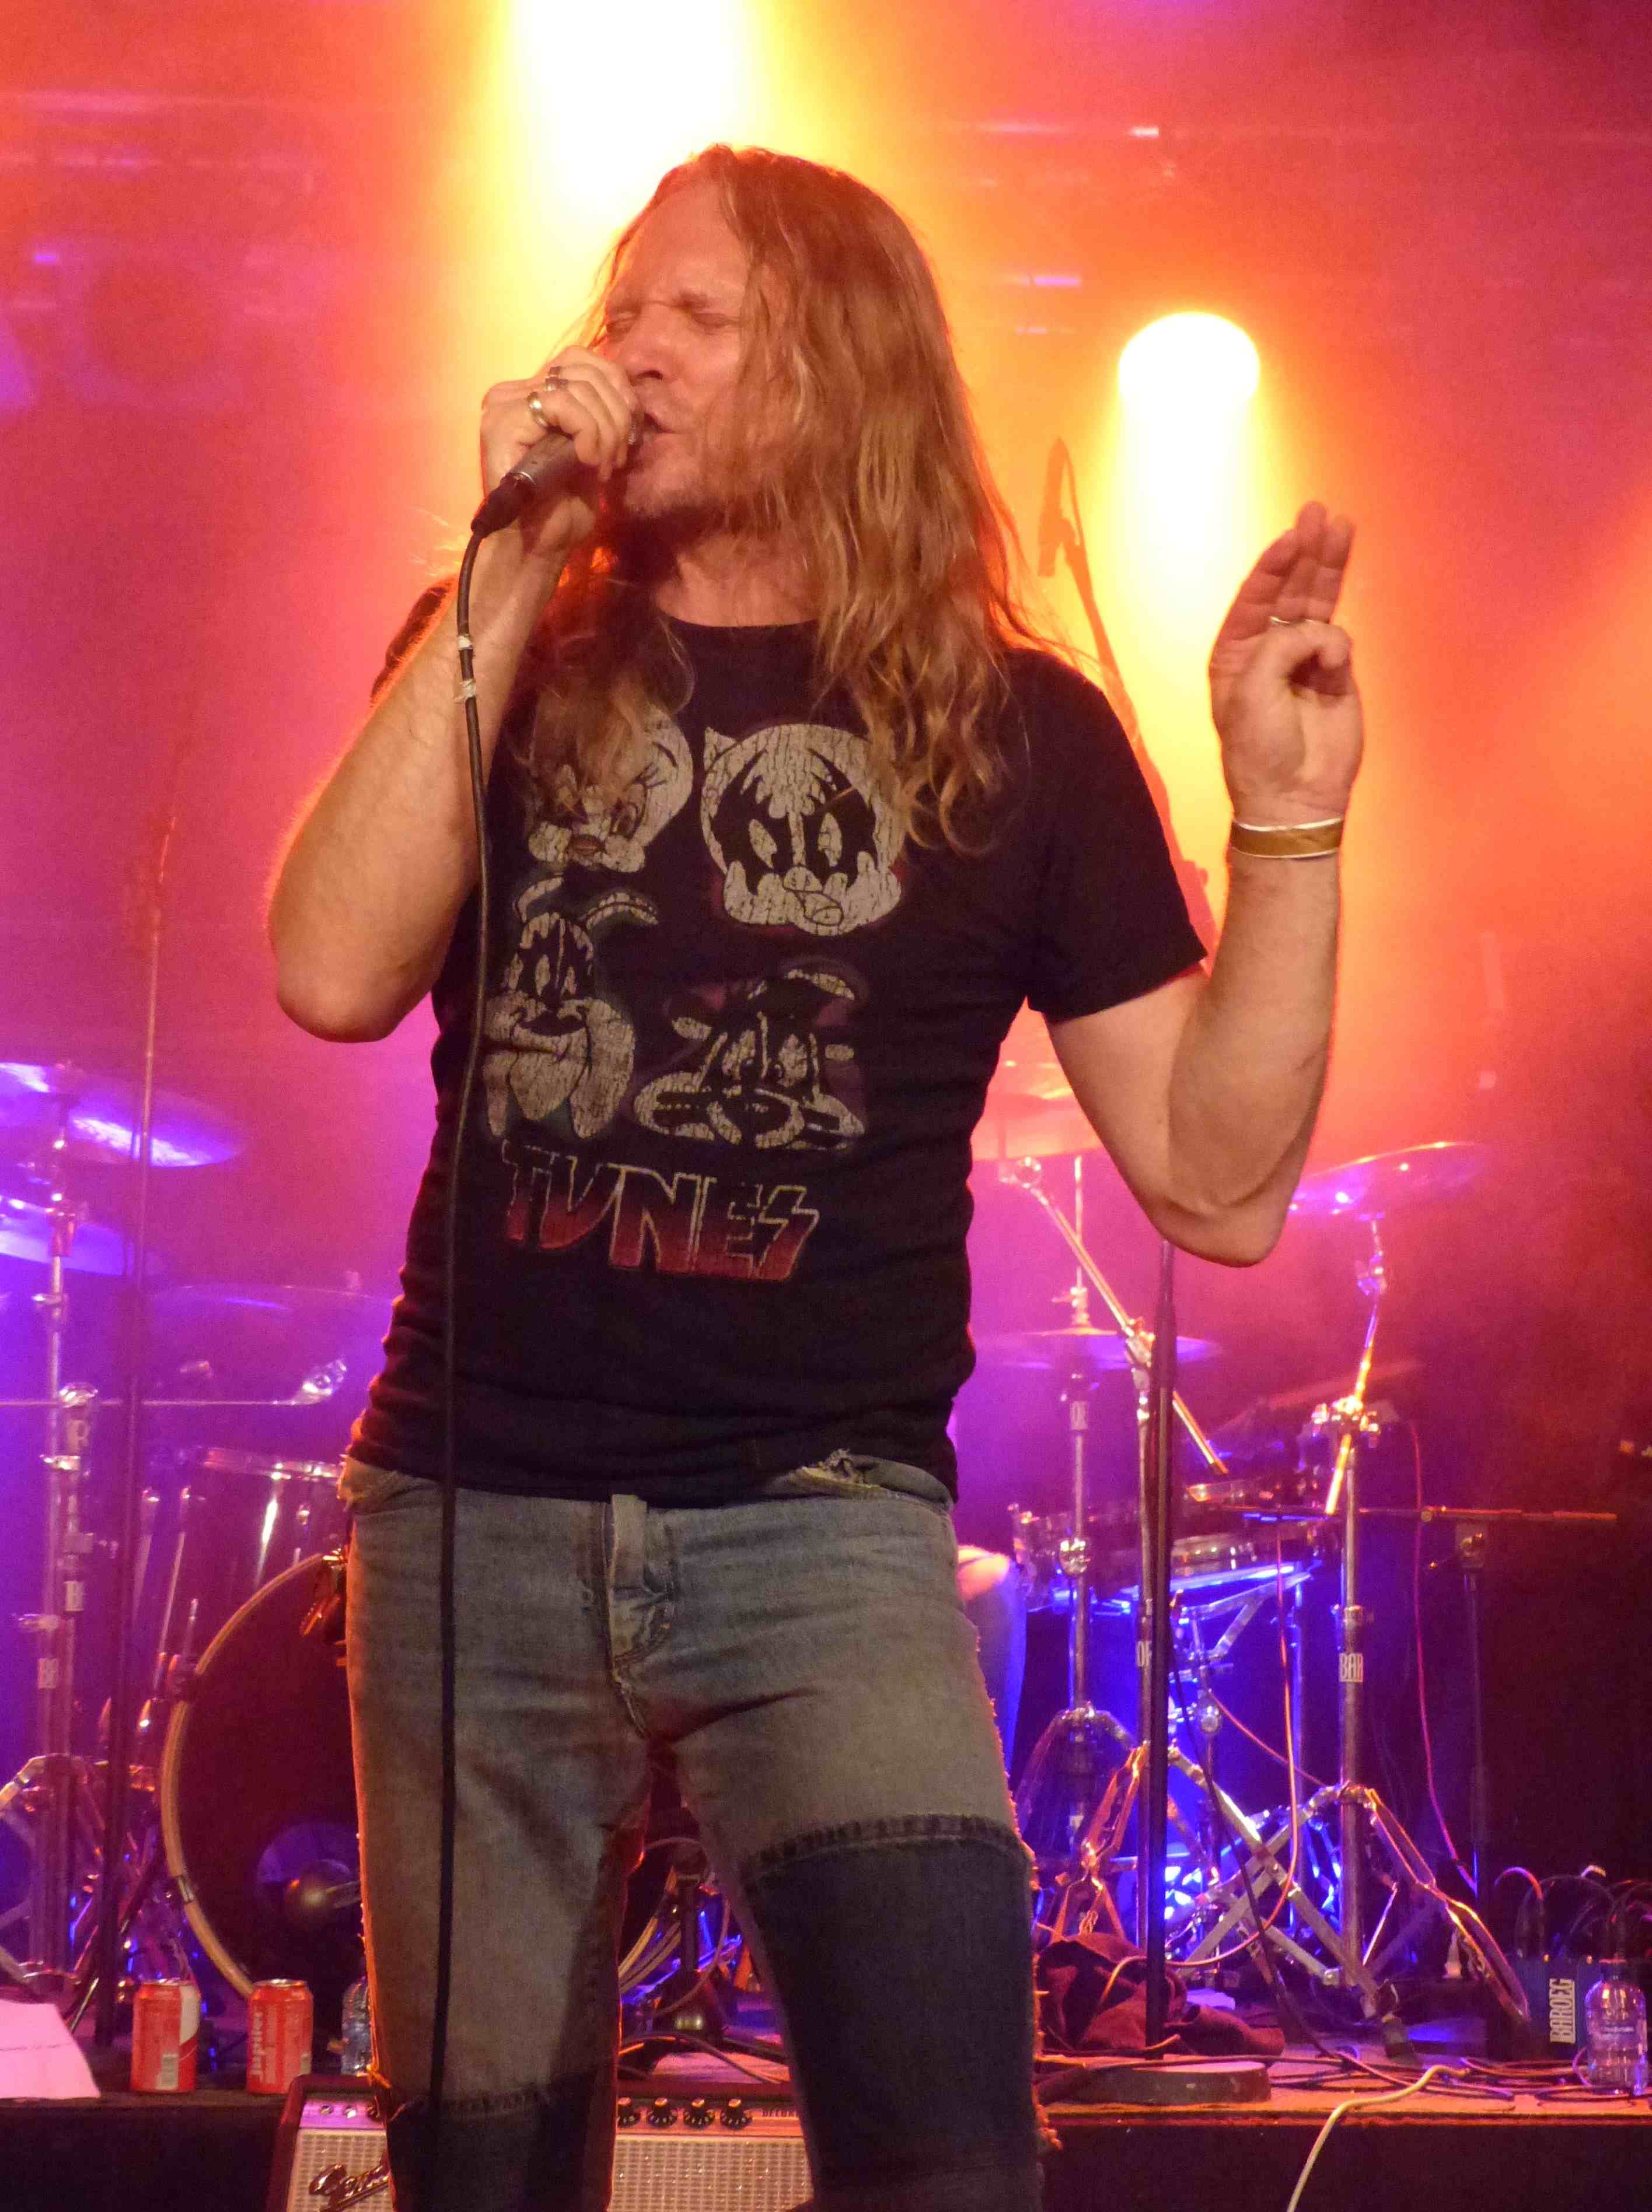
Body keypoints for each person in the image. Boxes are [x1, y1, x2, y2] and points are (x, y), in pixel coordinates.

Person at [270, 144, 1361, 2212]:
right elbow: (328, 972)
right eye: (624, 309)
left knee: (948, 2160)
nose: (633, 354)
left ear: (841, 369)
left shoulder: (1021, 734)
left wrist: (1289, 821)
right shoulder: (506, 650)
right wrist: (505, 570)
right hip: (471, 1520)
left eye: (698, 316)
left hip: (822, 1534)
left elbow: (1219, 1185)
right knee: (480, 2174)